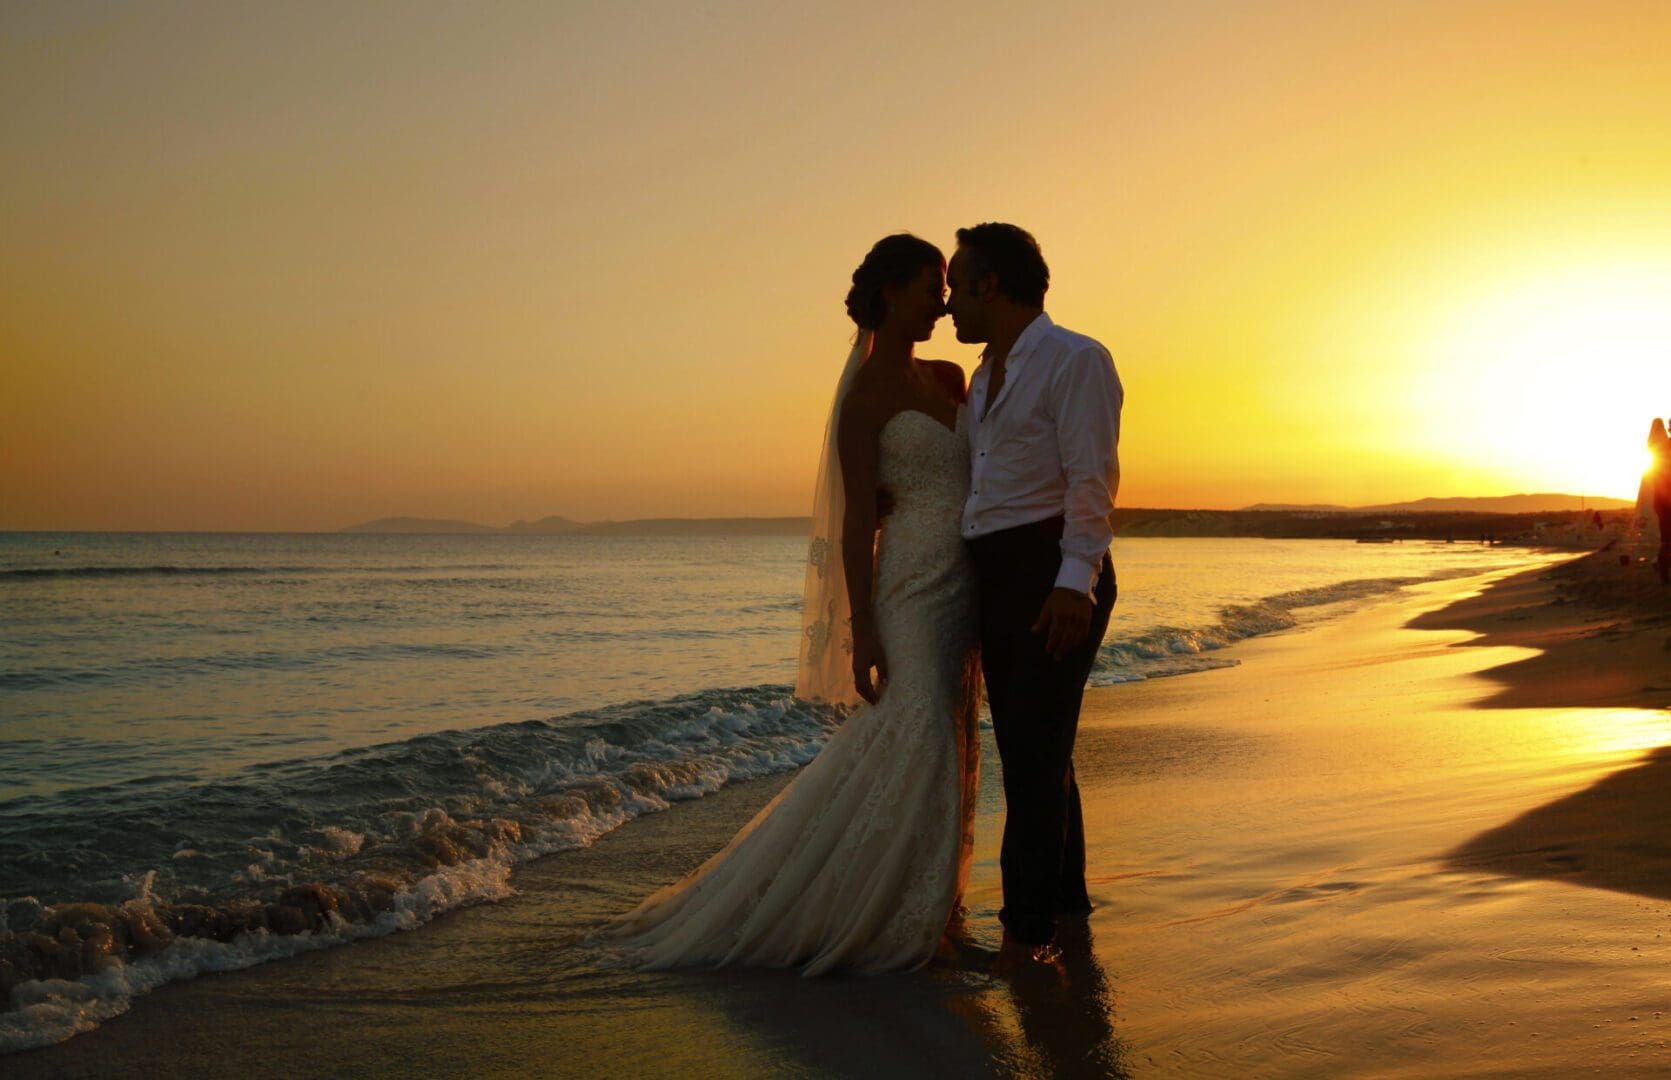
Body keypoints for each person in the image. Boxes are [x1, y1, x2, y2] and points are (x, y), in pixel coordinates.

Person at [599, 234, 981, 973]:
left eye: (945, 285)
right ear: (891, 293)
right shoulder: (864, 397)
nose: (941, 299)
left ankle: (940, 907)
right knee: (920, 728)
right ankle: (896, 911)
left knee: (954, 736)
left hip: (965, 581)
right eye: (931, 285)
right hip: (908, 584)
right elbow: (854, 520)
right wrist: (861, 627)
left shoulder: (950, 376)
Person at [945, 222, 1122, 964]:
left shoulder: (1074, 359)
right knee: (1041, 750)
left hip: (1049, 571)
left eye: (957, 286)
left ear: (991, 285)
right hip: (995, 572)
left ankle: (1025, 938)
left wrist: (1073, 583)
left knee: (1030, 757)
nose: (950, 303)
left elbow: (1091, 478)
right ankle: (1064, 906)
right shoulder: (983, 377)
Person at [1650, 417, 1671, 584]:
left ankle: (1662, 572)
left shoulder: (1656, 448)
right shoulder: (1666, 446)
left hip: (1661, 500)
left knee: (1666, 540)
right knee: (1666, 540)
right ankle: (1663, 573)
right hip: (1665, 501)